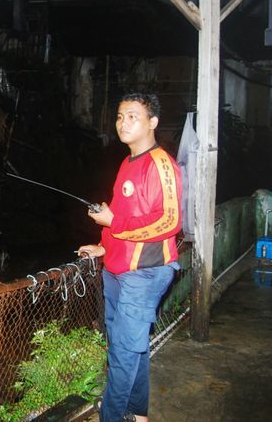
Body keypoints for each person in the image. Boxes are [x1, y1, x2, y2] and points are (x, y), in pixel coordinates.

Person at [78, 92, 182, 422]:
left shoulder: (161, 164)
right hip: (117, 268)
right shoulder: (127, 162)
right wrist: (104, 244)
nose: (123, 123)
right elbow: (122, 213)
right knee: (128, 347)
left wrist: (114, 223)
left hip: (147, 271)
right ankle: (138, 414)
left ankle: (112, 416)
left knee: (123, 351)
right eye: (120, 116)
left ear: (152, 122)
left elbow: (169, 221)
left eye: (133, 116)